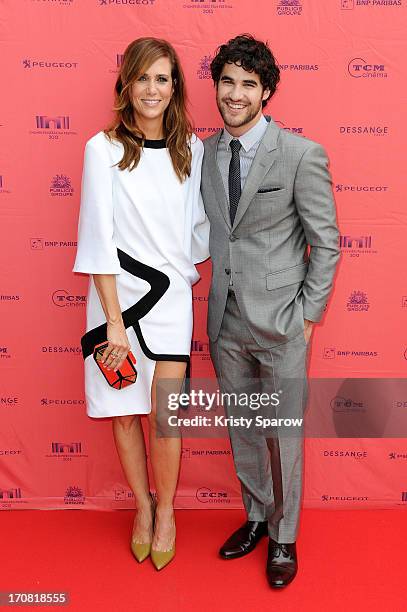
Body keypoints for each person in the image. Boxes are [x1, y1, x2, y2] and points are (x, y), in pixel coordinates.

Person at [201, 34, 340, 588]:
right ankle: (257, 517)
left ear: (267, 93)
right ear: (217, 85)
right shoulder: (206, 152)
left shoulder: (301, 154)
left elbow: (325, 241)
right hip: (225, 319)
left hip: (282, 322)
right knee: (244, 430)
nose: (235, 95)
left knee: (281, 433)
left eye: (248, 85)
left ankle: (284, 536)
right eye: (227, 82)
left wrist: (307, 316)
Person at [72, 37, 209, 571]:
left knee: (167, 417)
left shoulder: (190, 150)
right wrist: (112, 324)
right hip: (116, 305)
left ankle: (169, 511)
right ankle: (143, 507)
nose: (152, 89)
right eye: (143, 78)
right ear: (126, 84)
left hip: (172, 300)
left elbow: (196, 230)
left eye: (163, 78)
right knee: (125, 416)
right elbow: (97, 239)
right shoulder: (100, 148)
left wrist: (181, 263)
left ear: (174, 87)